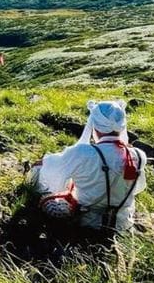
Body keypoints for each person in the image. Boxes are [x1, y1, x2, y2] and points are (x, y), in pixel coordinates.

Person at [32, 100, 147, 233]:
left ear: (95, 126)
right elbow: (138, 188)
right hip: (121, 224)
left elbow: (53, 171)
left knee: (40, 170)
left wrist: (43, 163)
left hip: (86, 222)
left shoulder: (83, 152)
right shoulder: (139, 155)